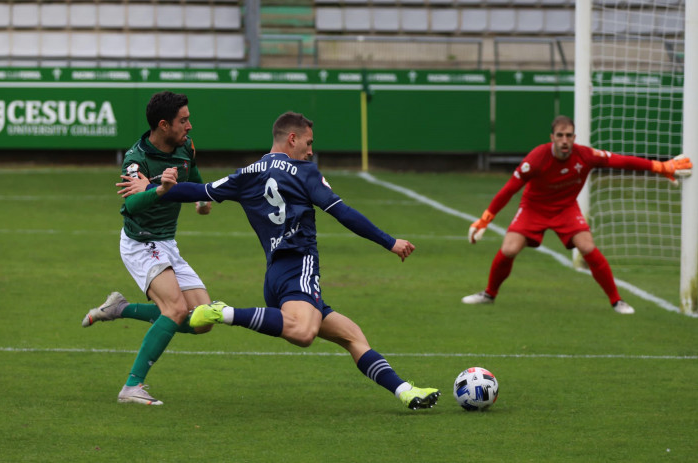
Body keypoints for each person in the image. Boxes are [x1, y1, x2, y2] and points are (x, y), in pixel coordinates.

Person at [118, 111, 441, 410]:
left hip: (275, 276)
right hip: (299, 267)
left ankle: (406, 392)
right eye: (309, 142)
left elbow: (200, 190)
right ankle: (222, 311)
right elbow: (343, 212)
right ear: (292, 139)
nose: (311, 151)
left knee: (351, 335)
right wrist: (390, 242)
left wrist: (157, 188)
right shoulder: (305, 172)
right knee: (302, 333)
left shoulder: (248, 173)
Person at [461, 115, 692, 314]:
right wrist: (485, 220)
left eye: (569, 135)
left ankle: (617, 301)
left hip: (565, 208)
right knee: (509, 248)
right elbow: (509, 189)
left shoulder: (585, 155)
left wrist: (660, 167)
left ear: (574, 137)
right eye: (560, 135)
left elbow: (622, 160)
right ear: (552, 137)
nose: (565, 140)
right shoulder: (536, 158)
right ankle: (489, 294)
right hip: (534, 208)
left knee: (588, 246)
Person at [83, 91, 214, 406]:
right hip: (141, 243)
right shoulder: (136, 158)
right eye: (183, 121)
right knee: (176, 309)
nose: (190, 126)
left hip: (167, 243)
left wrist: (200, 196)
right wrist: (161, 190)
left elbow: (192, 172)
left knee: (203, 319)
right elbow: (133, 203)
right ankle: (132, 387)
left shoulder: (185, 147)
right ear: (164, 124)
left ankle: (120, 309)